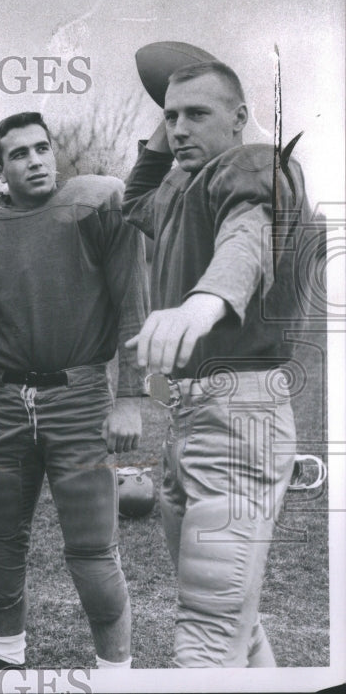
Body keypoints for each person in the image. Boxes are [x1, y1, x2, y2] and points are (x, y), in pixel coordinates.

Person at [122, 60, 311, 666]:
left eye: (197, 114)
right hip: (194, 422)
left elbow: (247, 238)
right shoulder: (184, 187)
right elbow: (134, 202)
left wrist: (201, 307)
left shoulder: (251, 163)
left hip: (238, 417)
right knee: (234, 620)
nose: (177, 128)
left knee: (207, 634)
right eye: (170, 116)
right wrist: (169, 116)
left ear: (240, 117)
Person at [0, 112, 148, 670]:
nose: (36, 160)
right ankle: (7, 661)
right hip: (0, 397)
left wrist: (131, 397)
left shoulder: (96, 203)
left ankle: (116, 673)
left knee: (93, 551)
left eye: (42, 148)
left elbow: (132, 306)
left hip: (80, 394)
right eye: (19, 154)